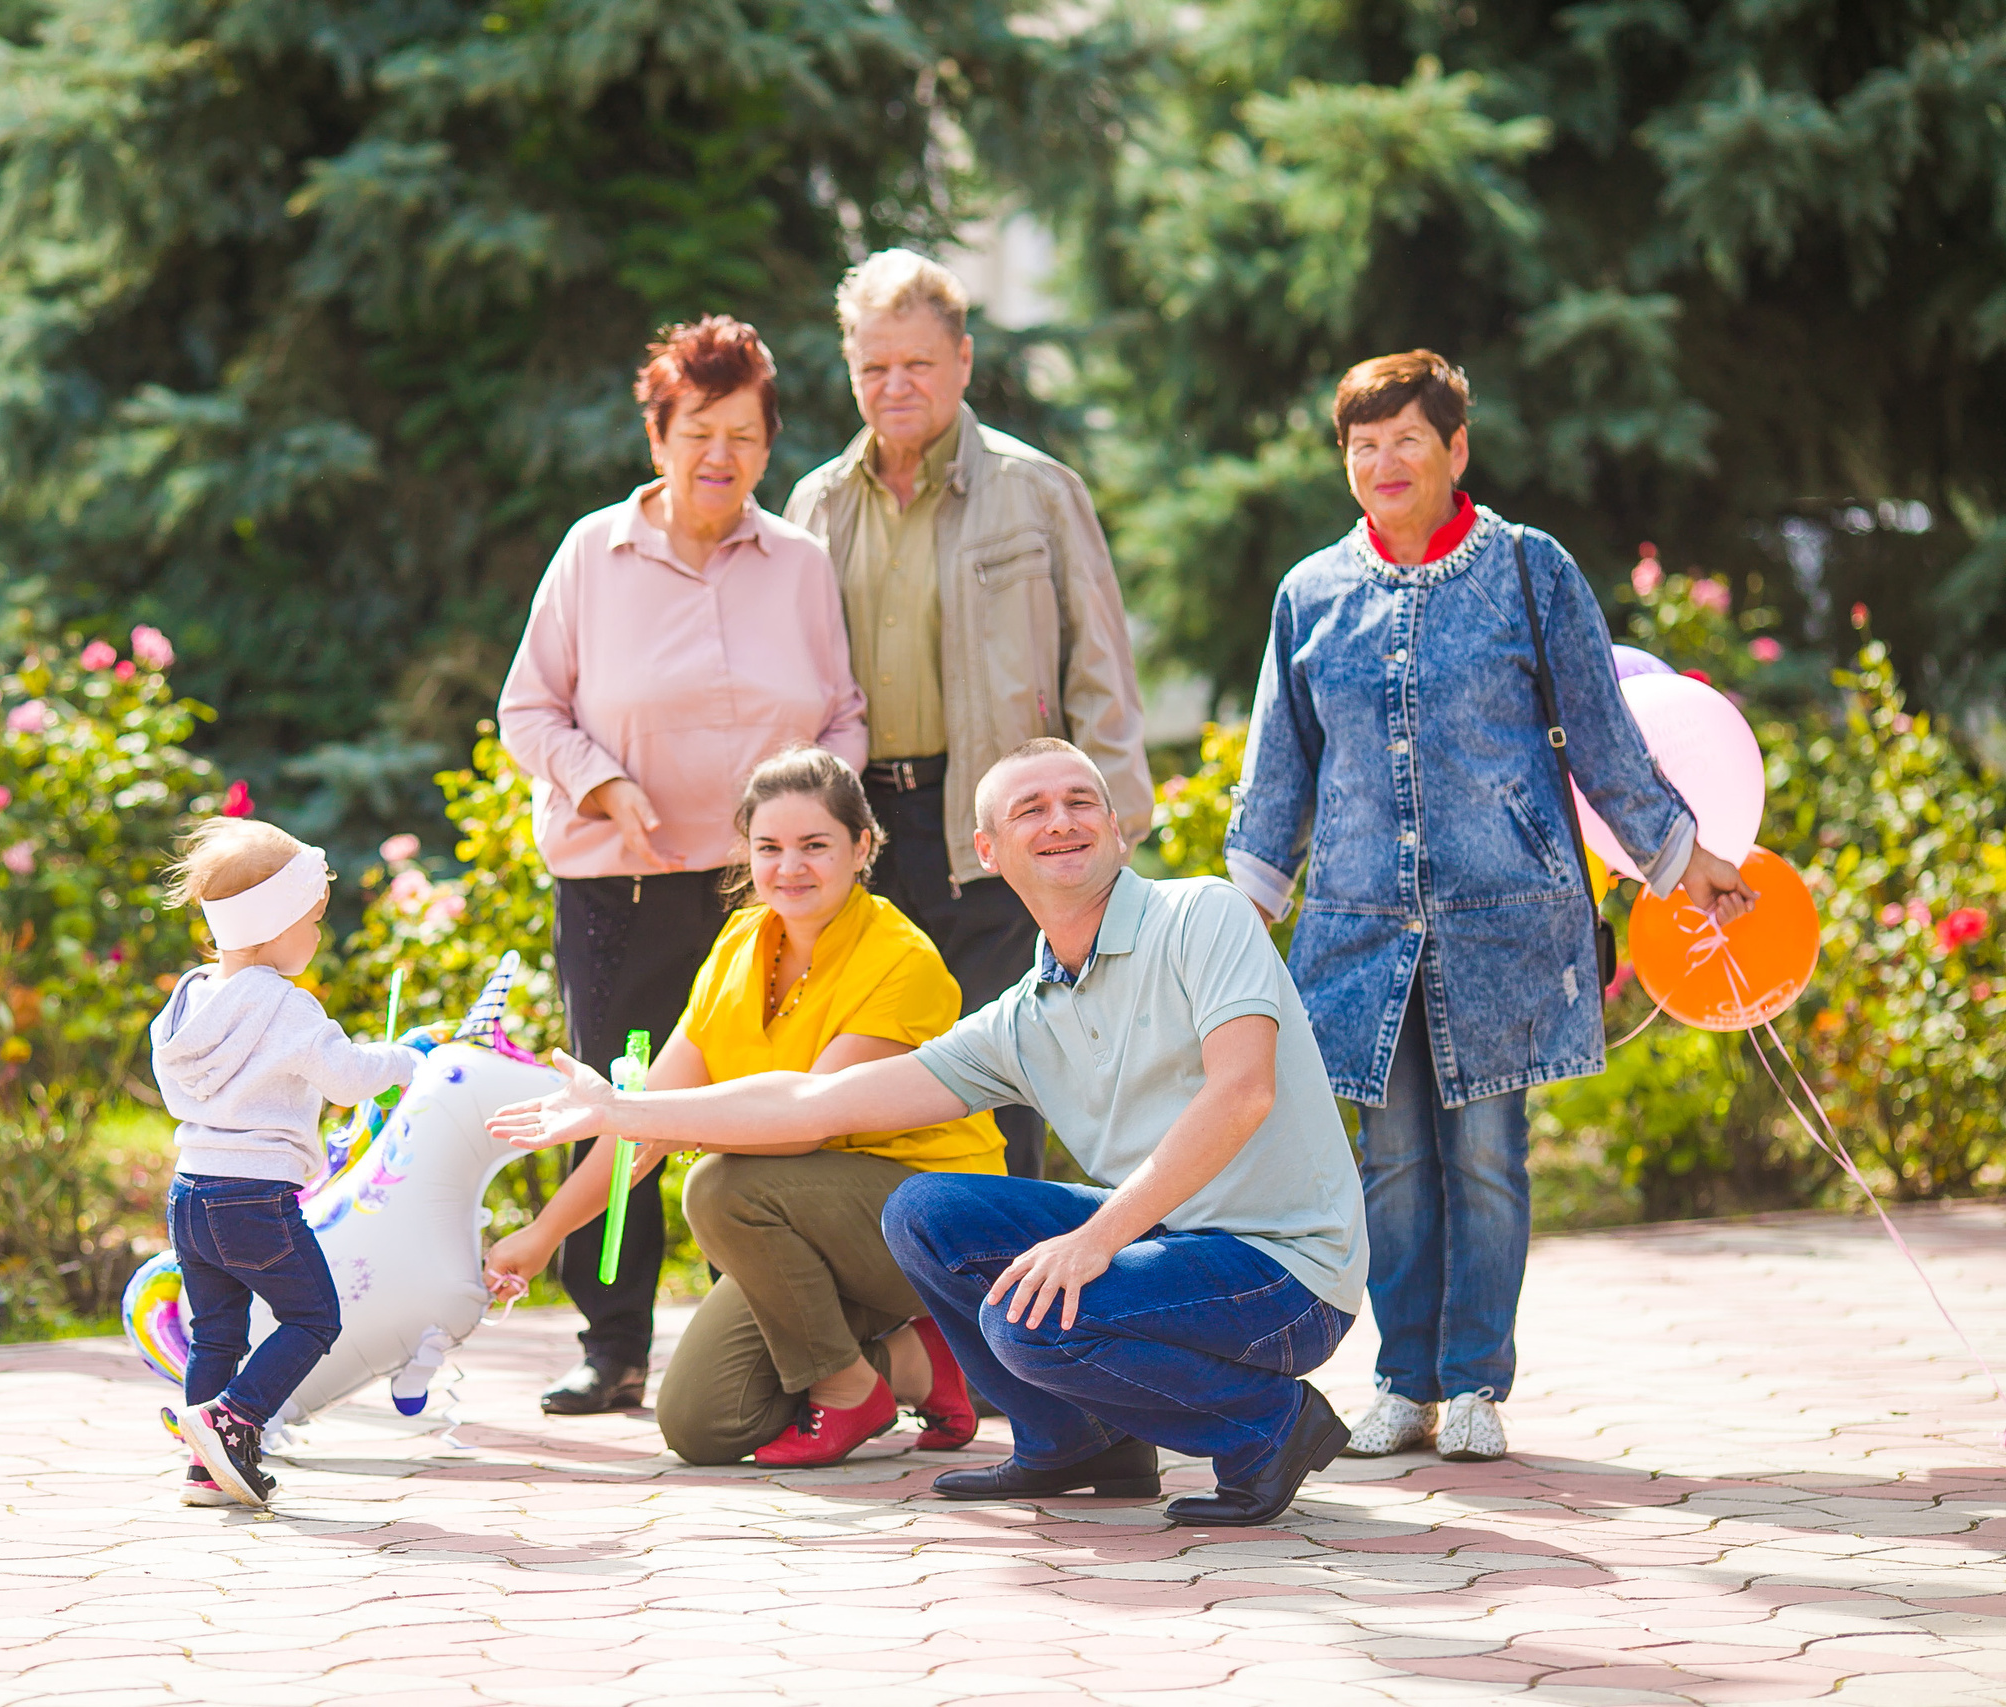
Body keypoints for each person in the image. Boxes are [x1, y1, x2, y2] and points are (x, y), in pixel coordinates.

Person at [491, 741, 1369, 1530]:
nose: (1060, 820)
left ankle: (1269, 1425)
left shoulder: (1200, 916)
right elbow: (813, 1102)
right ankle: (1073, 1444)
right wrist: (622, 1112)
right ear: (988, 851)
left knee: (1027, 1320)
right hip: (1171, 1251)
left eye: (1080, 800)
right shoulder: (1026, 1018)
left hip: (1284, 1275)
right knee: (924, 1211)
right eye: (1030, 809)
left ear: (1118, 826)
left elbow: (1244, 1093)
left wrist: (1094, 1240)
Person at [1225, 350, 1754, 1465]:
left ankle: (1474, 1383)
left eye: (1406, 441)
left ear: (1454, 450)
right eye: (1362, 447)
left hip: (1504, 924)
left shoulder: (1528, 569)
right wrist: (1240, 909)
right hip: (1361, 934)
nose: (1383, 464)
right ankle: (1400, 1383)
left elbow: (1604, 733)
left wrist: (1681, 857)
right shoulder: (1310, 594)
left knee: (1484, 1159)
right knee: (1392, 1165)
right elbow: (1280, 769)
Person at [498, 316, 868, 1417]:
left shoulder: (798, 563)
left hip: (770, 894)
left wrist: (822, 826)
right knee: (623, 1107)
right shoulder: (592, 555)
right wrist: (604, 783)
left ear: (769, 444)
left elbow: (843, 716)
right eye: (699, 431)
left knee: (760, 1112)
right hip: (622, 884)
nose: (722, 456)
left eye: (745, 435)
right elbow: (529, 709)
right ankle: (612, 1344)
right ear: (657, 435)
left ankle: (758, 1341)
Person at [481, 748, 1001, 1467]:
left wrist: (630, 1114)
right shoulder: (738, 944)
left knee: (722, 1183)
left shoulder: (901, 960)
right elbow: (649, 1116)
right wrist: (540, 1235)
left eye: (815, 845)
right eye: (770, 847)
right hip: (810, 1228)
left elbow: (802, 1124)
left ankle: (849, 1386)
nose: (790, 867)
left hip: (928, 1225)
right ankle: (917, 1365)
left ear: (862, 845)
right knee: (703, 1421)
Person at [783, 250, 1154, 1180]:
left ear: (962, 361)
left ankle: (1008, 1316)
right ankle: (903, 1314)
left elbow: (1102, 674)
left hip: (997, 830)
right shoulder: (816, 506)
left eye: (917, 363)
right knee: (874, 1081)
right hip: (865, 828)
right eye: (874, 367)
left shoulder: (1039, 492)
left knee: (1007, 1084)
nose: (895, 385)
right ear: (851, 371)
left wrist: (1108, 830)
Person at [149, 818, 424, 1509]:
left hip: (190, 1193)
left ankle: (207, 1469)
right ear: (274, 925)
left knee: (216, 1331)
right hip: (253, 1200)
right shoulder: (286, 1005)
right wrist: (405, 1060)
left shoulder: (188, 1000)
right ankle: (233, 1418)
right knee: (313, 1317)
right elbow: (350, 1076)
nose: (317, 936)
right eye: (312, 921)